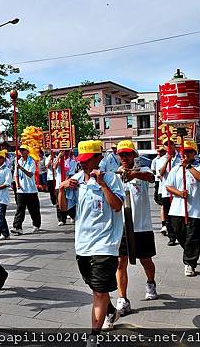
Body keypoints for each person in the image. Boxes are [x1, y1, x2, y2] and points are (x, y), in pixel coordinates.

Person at [58, 140, 125, 339]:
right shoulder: (76, 179)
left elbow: (116, 206)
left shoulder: (112, 178)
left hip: (105, 244)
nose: (83, 164)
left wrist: (102, 183)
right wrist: (62, 189)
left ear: (99, 158)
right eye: (81, 160)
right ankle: (110, 310)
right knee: (96, 287)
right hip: (83, 245)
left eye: (88, 160)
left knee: (98, 292)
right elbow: (63, 208)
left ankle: (93, 337)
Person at [113, 140, 158, 317]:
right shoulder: (115, 175)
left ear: (134, 155)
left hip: (141, 226)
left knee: (146, 260)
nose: (124, 157)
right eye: (121, 154)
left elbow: (151, 177)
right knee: (120, 262)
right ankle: (123, 299)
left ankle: (150, 282)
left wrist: (134, 175)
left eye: (127, 154)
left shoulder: (143, 170)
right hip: (122, 227)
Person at [165, 141, 200, 277]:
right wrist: (179, 193)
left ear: (194, 153)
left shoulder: (199, 167)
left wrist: (188, 167)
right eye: (184, 152)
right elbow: (168, 186)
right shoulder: (176, 168)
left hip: (195, 210)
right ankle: (190, 252)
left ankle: (189, 263)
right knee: (181, 235)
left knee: (193, 238)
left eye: (189, 151)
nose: (186, 154)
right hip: (177, 210)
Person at [11, 145, 41, 234]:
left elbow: (30, 174)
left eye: (23, 150)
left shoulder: (31, 162)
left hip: (31, 190)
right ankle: (17, 227)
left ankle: (36, 224)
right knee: (20, 209)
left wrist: (21, 168)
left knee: (34, 209)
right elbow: (15, 175)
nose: (21, 152)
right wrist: (17, 185)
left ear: (27, 152)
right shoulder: (18, 161)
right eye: (20, 150)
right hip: (21, 191)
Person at [157, 141, 181, 246]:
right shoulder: (161, 159)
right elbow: (161, 173)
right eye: (166, 145)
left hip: (178, 191)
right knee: (168, 216)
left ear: (174, 145)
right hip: (166, 191)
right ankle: (171, 237)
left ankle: (180, 235)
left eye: (170, 144)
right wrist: (167, 161)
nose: (169, 146)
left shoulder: (180, 157)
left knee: (178, 214)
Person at [54, 149, 77, 226]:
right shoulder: (59, 159)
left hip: (68, 184)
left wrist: (66, 183)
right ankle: (61, 219)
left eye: (67, 151)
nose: (65, 153)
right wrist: (58, 157)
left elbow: (71, 173)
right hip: (59, 185)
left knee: (70, 200)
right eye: (63, 151)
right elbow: (54, 166)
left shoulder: (72, 161)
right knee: (59, 202)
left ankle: (72, 215)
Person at [150, 146, 167, 235]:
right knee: (160, 202)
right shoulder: (156, 160)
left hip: (166, 184)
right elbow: (153, 170)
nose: (160, 152)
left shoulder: (167, 158)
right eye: (159, 151)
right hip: (158, 181)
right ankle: (164, 224)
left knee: (164, 205)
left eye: (162, 151)